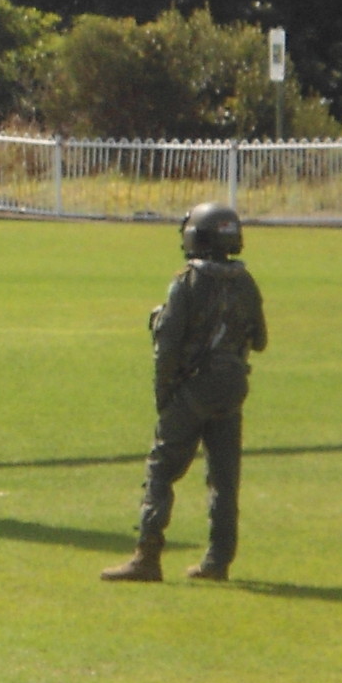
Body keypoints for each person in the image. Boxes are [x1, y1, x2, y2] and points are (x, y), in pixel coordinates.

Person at [100, 201, 269, 583]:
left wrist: (164, 397)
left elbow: (167, 349)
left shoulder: (186, 283)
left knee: (161, 470)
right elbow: (260, 340)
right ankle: (218, 560)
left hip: (193, 391)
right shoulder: (245, 283)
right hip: (232, 389)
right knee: (225, 479)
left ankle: (147, 555)